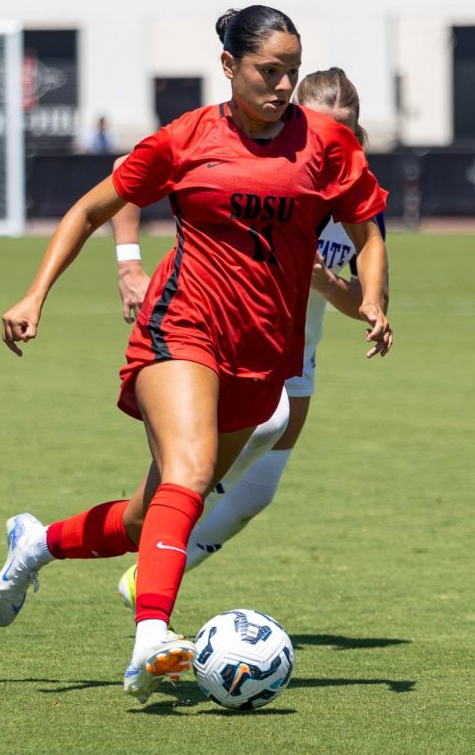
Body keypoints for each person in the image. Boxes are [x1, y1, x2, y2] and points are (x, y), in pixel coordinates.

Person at [0, 5, 391, 704]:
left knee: (156, 513)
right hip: (180, 325)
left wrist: (375, 299)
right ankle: (152, 637)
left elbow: (369, 233)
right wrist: (35, 295)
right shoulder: (187, 139)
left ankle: (38, 542)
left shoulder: (325, 144)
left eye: (293, 70)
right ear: (229, 67)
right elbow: (89, 208)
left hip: (262, 354)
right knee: (192, 467)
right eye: (270, 70)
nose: (284, 83)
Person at [111, 67, 386, 607]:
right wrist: (128, 266)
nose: (335, 140)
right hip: (220, 342)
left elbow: (365, 301)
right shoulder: (259, 164)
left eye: (348, 130)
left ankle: (150, 567)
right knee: (248, 435)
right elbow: (125, 173)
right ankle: (162, 563)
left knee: (258, 492)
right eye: (321, 125)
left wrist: (327, 281)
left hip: (297, 356)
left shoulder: (356, 196)